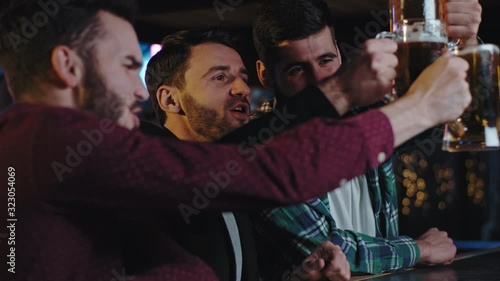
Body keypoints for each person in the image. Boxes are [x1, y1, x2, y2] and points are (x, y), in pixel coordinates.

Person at [0, 0, 471, 280]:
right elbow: (270, 171)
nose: (139, 90)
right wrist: (418, 106)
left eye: (241, 76)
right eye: (127, 66)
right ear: (69, 66)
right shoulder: (64, 141)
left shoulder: (34, 146)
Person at [221, 0, 482, 278]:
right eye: (296, 69)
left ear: (340, 55)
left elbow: (458, 110)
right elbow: (328, 248)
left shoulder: (367, 117)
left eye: (325, 61)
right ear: (265, 75)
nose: (318, 79)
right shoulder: (261, 146)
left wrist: (466, 42)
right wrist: (420, 249)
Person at [142, 28, 351, 281]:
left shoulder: (231, 176)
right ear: (170, 100)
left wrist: (301, 276)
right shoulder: (151, 173)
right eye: (220, 77)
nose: (243, 89)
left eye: (243, 77)